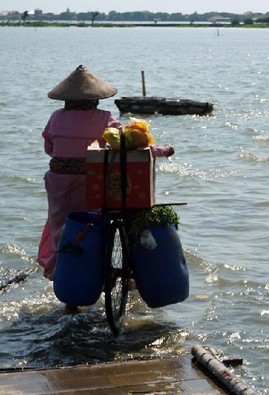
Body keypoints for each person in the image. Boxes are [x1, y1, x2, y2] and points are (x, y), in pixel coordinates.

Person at [38, 65, 172, 314]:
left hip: (58, 183)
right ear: (96, 99)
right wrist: (162, 149)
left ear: (67, 99)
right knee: (110, 218)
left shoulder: (56, 117)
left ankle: (69, 294)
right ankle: (127, 273)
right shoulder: (104, 119)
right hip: (92, 185)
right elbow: (129, 146)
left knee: (63, 230)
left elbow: (49, 148)